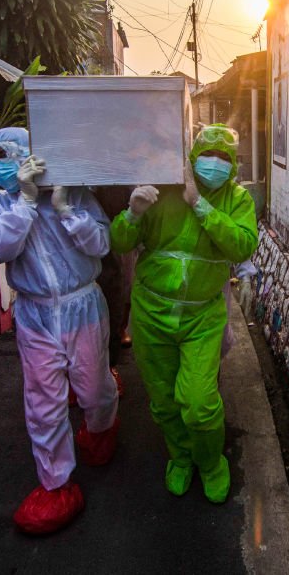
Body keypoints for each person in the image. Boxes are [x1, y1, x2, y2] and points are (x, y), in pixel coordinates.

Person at [0, 127, 120, 534]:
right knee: (43, 402)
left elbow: (101, 246)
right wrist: (24, 201)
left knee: (94, 388)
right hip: (35, 315)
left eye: (5, 153)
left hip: (83, 306)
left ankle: (102, 428)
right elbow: (1, 248)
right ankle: (55, 484)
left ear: (30, 155)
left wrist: (64, 208)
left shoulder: (73, 194)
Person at [111, 124, 257, 503]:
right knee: (162, 399)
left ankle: (210, 464)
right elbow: (120, 242)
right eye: (208, 154)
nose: (215, 163)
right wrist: (132, 213)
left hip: (201, 318)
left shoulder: (237, 199)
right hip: (151, 314)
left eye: (225, 157)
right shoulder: (162, 190)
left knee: (197, 401)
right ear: (192, 156)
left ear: (234, 163)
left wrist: (200, 204)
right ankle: (180, 457)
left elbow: (242, 245)